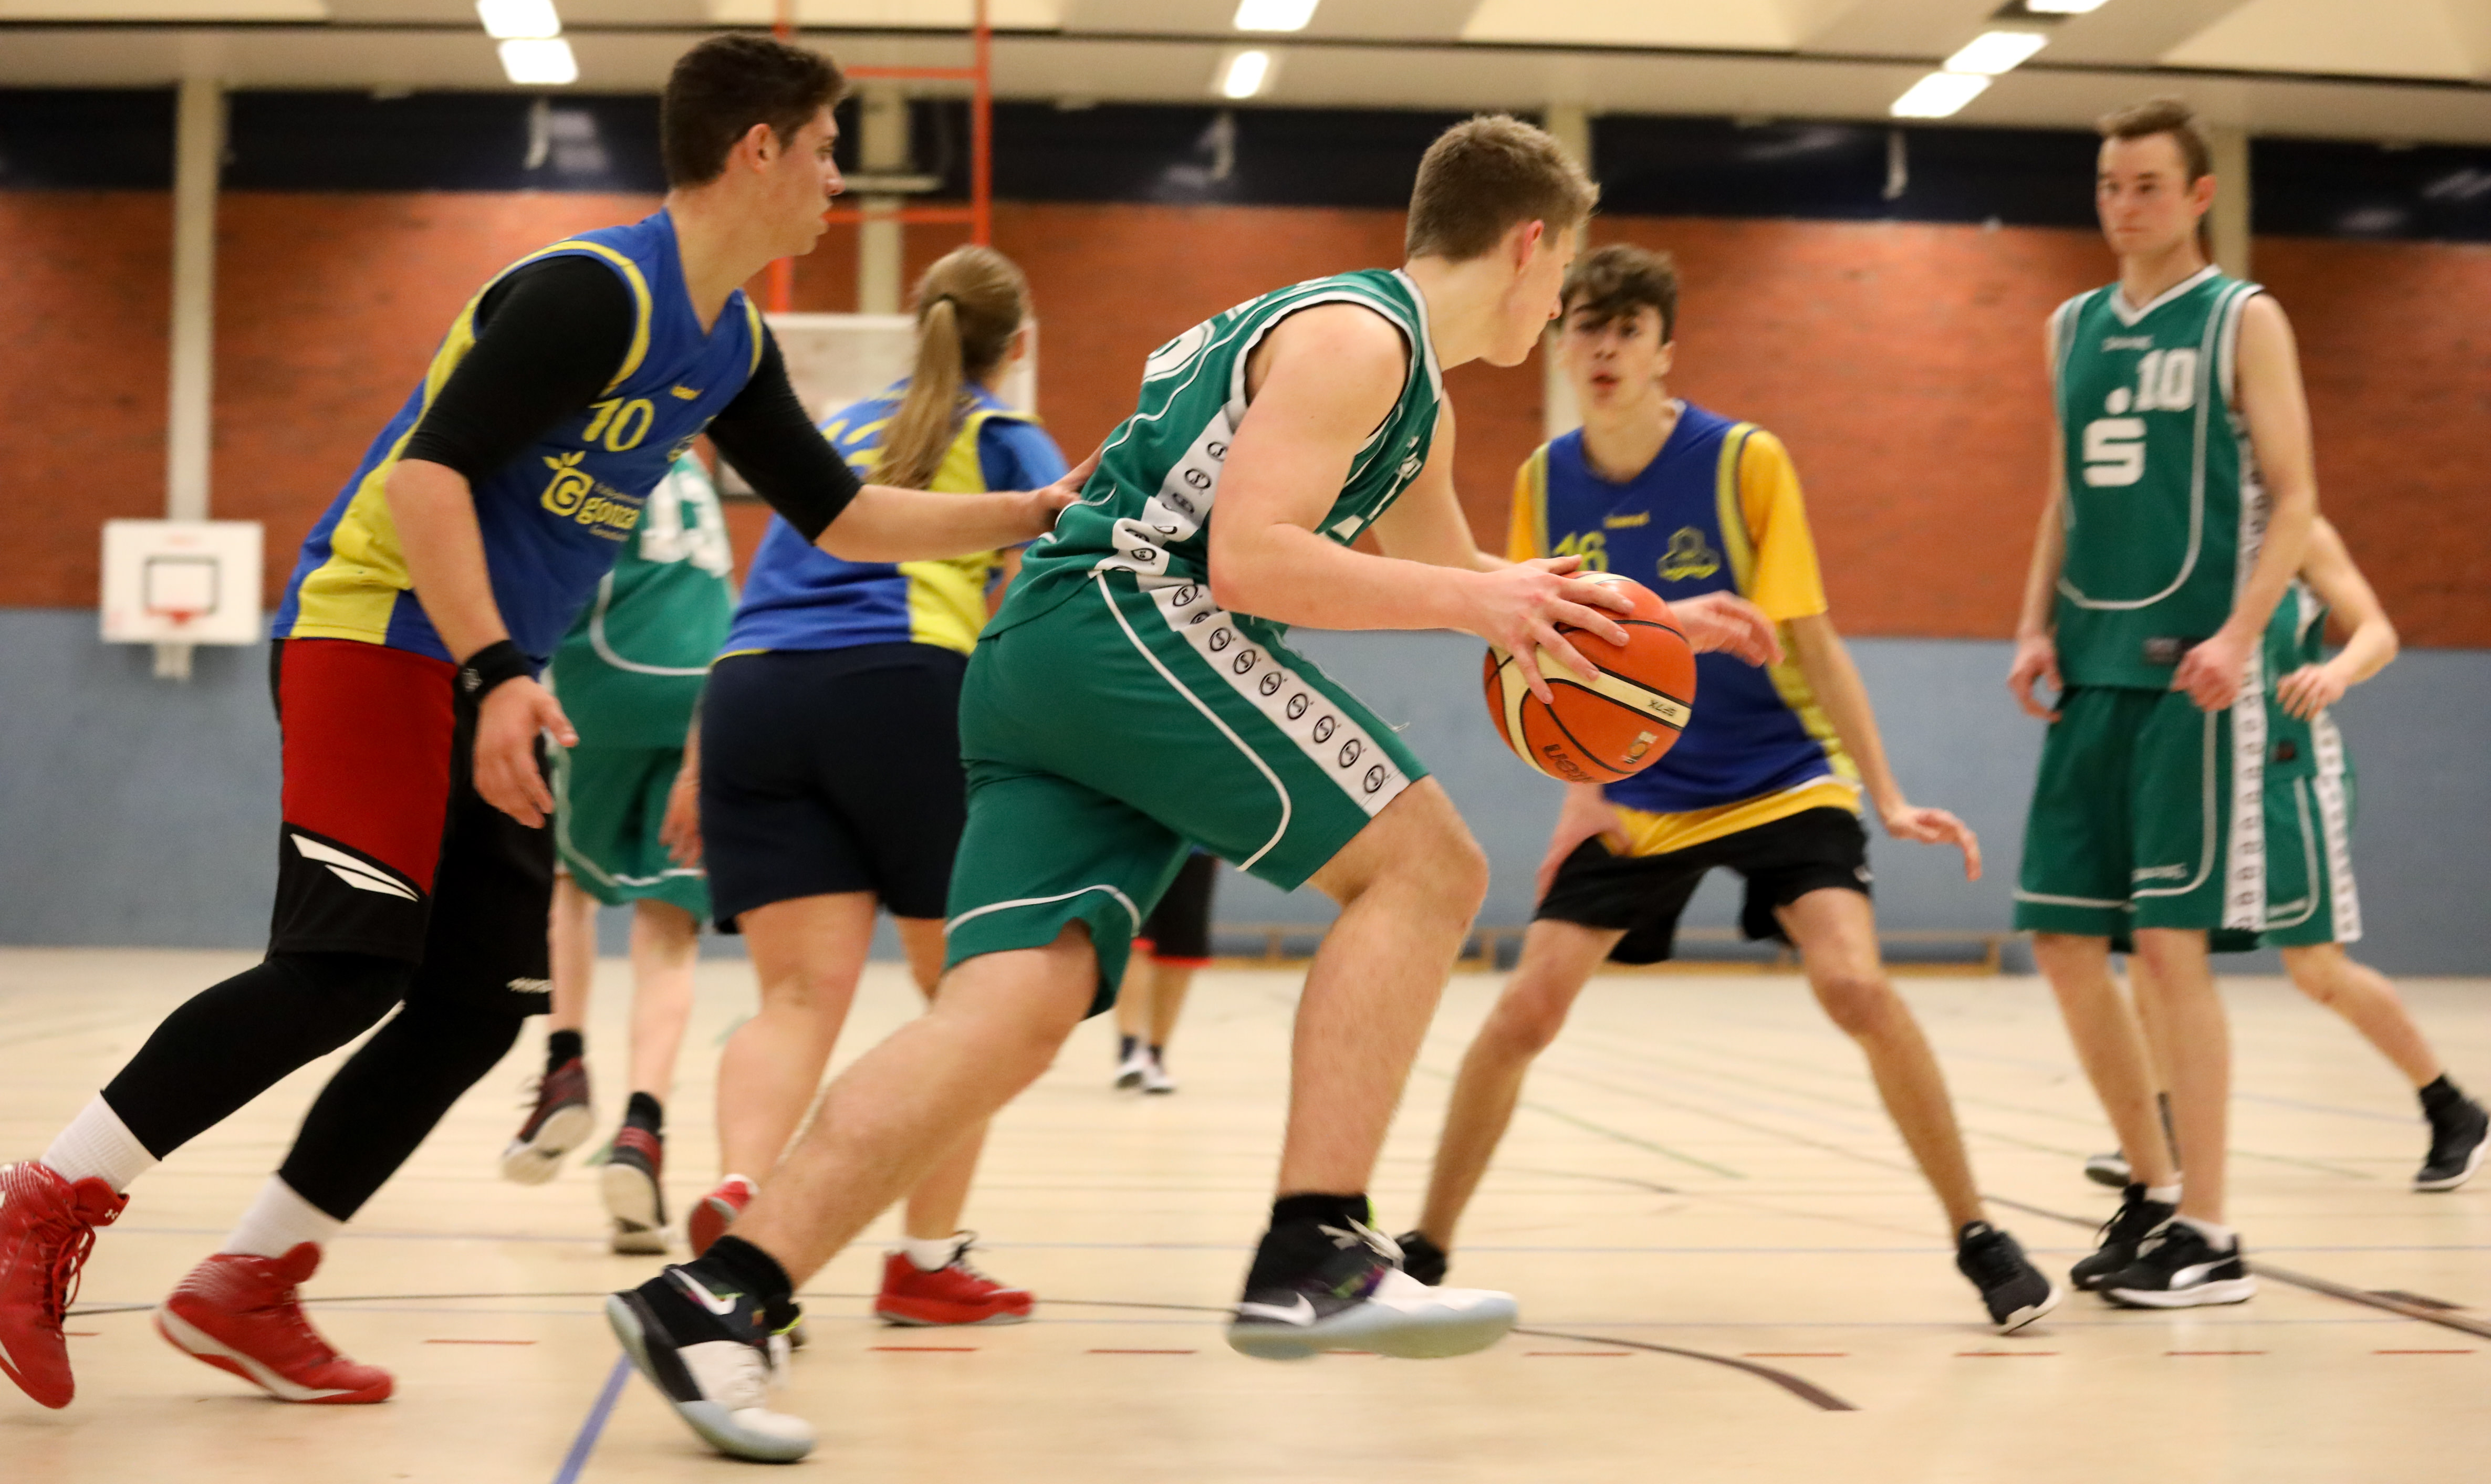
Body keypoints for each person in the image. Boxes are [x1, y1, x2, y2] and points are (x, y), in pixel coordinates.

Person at [602, 114, 1782, 1464]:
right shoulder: (1359, 340)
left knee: (1007, 1014)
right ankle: (1316, 1244)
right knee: (1427, 865)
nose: (1561, 299)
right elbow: (1248, 563)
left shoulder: (1405, 384)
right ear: (1529, 244)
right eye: (1564, 268)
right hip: (1134, 625)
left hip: (1049, 657)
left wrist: (1643, 624)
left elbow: (1462, 575)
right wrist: (1480, 602)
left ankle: (720, 1295)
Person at [0, 33, 1086, 1413]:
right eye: (823, 150)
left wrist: (1030, 510)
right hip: (377, 636)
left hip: (478, 669)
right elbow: (428, 481)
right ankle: (43, 1197)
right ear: (756, 148)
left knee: (478, 1003)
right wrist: (499, 668)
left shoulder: (731, 340)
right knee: (342, 966)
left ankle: (248, 1281)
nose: (837, 181)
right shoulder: (593, 291)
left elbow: (842, 513)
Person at [1393, 244, 2058, 1334]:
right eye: (1586, 326)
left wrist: (1886, 794)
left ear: (1664, 349)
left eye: (1628, 329)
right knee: (1523, 1009)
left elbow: (1813, 640)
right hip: (1638, 790)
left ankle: (1978, 1233)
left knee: (1853, 985)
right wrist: (1579, 791)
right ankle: (1421, 1252)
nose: (1604, 347)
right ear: (1560, 342)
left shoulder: (1743, 460)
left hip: (1778, 771)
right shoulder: (1542, 481)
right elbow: (1536, 650)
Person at [681, 244, 1066, 1330]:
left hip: (749, 692)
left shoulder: (840, 426)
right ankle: (925, 1262)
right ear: (1016, 344)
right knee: (973, 1005)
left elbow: (766, 581)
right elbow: (1052, 598)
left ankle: (744, 1194)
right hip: (899, 685)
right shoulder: (1008, 441)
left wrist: (700, 757)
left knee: (794, 1000)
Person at [2008, 96, 2319, 1310]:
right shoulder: (2069, 327)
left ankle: (2212, 1231)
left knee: (2168, 950)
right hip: (2089, 667)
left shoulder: (2243, 318)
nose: (2121, 204)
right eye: (2107, 184)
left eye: (2145, 184)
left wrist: (2241, 636)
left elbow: (2293, 498)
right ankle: (2150, 1186)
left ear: (2196, 195)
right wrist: (2032, 622)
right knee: (2061, 939)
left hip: (2193, 676)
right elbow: (2059, 494)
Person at [2078, 518, 2486, 1194]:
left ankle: (2451, 1108)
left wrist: (2336, 672)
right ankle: (2166, 1127)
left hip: (2285, 772)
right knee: (2155, 948)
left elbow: (2377, 633)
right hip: (2192, 769)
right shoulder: (2173, 524)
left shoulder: (2299, 532)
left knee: (2317, 970)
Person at [497, 452, 736, 1256]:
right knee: (669, 926)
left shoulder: (591, 449)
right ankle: (642, 1131)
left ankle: (564, 1066)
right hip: (708, 689)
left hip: (606, 678)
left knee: (567, 880)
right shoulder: (695, 464)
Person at [1113, 851, 1216, 1094]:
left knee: (1179, 953)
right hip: (1136, 843)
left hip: (1197, 847)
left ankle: (1155, 1057)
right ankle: (1129, 1050)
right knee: (1135, 941)